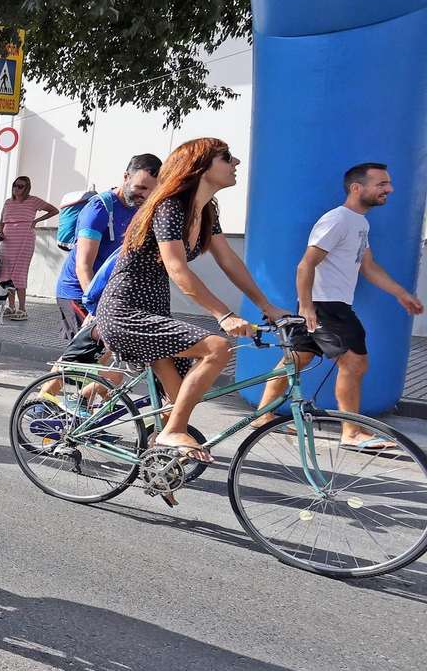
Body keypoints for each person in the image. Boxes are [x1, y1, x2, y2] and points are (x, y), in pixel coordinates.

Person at [95, 137, 292, 464]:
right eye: (226, 157)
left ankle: (157, 462)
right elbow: (176, 268)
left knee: (178, 405)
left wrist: (267, 306)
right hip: (125, 311)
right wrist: (224, 315)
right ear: (200, 167)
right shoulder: (171, 206)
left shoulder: (205, 211)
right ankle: (165, 433)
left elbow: (229, 260)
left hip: (154, 310)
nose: (236, 163)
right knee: (218, 347)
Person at [251, 162, 425, 449]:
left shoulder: (359, 222)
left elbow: (367, 266)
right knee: (355, 363)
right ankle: (352, 432)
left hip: (325, 304)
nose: (390, 189)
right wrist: (307, 307)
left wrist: (400, 293)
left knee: (297, 359)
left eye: (388, 184)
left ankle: (263, 415)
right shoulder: (337, 220)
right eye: (381, 184)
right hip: (326, 305)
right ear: (357, 188)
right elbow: (305, 265)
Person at [40, 153, 161, 401]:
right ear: (125, 177)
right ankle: (43, 401)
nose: (145, 195)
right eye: (140, 187)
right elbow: (83, 264)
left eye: (151, 190)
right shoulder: (99, 208)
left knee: (103, 362)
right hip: (79, 290)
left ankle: (83, 410)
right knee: (87, 354)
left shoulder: (141, 209)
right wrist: (95, 307)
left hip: (109, 293)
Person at [0, 176, 58, 320]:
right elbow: (1, 221)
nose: (17, 188)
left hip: (24, 239)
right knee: (6, 273)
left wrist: (36, 220)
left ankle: (22, 309)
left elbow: (54, 210)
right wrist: (1, 232)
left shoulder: (33, 200)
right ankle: (11, 306)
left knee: (19, 273)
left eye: (21, 186)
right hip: (8, 240)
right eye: (15, 185)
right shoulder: (8, 202)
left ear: (27, 188)